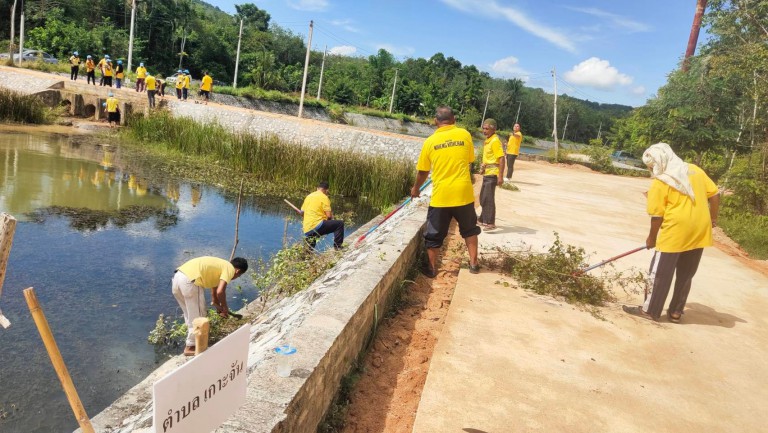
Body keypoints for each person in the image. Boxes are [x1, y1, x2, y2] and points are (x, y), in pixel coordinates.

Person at [623, 142, 720, 322]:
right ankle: (676, 312)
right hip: (700, 229)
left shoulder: (661, 181)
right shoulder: (695, 170)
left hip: (676, 231)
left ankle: (650, 310)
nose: (652, 169)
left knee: (659, 273)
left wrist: (651, 238)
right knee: (686, 273)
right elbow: (714, 195)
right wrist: (713, 219)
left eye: (652, 165)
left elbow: (657, 216)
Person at [410, 105, 481, 278]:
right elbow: (470, 160)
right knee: (470, 230)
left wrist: (416, 188)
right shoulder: (465, 135)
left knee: (434, 235)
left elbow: (423, 172)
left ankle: (432, 268)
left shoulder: (430, 142)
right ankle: (473, 263)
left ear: (435, 121)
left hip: (441, 196)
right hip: (463, 194)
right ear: (454, 120)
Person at [172, 256, 248, 356]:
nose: (235, 278)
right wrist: (225, 308)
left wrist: (217, 305)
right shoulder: (229, 269)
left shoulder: (221, 266)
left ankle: (192, 342)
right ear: (237, 271)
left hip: (178, 278)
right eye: (238, 276)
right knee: (199, 317)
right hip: (191, 281)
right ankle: (191, 346)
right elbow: (220, 291)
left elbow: (215, 293)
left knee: (190, 314)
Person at [301, 181, 345, 250]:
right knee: (339, 224)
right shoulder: (324, 197)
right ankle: (338, 247)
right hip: (317, 225)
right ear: (326, 190)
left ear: (317, 188)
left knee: (309, 248)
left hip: (307, 228)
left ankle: (306, 257)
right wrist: (328, 226)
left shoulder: (308, 196)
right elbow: (329, 216)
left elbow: (302, 213)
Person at [478, 118, 505, 230]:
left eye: (487, 128)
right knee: (483, 197)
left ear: (493, 129)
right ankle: (482, 219)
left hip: (493, 174)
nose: (484, 130)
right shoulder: (488, 140)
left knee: (488, 198)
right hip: (487, 173)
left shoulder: (495, 141)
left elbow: (501, 159)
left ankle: (490, 222)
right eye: (483, 128)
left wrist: (500, 176)